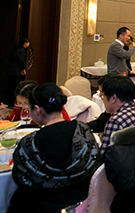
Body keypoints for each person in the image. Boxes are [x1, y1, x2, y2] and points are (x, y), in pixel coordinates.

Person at [8, 83, 100, 213]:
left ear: (37, 109)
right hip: (81, 202)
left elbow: (21, 179)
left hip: (42, 207)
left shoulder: (29, 144)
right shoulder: (83, 131)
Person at [6, 38, 29, 105]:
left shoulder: (16, 49)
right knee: (14, 88)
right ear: (25, 43)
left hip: (11, 71)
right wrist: (23, 68)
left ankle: (9, 102)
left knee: (11, 87)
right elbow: (21, 61)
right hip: (15, 72)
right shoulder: (21, 51)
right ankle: (12, 102)